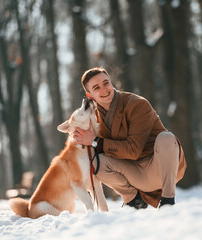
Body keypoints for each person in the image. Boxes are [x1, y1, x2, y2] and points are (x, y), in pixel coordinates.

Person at [73, 67, 187, 209]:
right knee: (96, 162)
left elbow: (134, 150)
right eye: (96, 87)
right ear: (89, 94)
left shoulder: (137, 104)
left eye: (106, 83)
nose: (103, 89)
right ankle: (134, 200)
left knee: (167, 138)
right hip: (135, 173)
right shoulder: (94, 117)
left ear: (111, 82)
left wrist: (96, 141)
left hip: (159, 166)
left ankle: (168, 201)